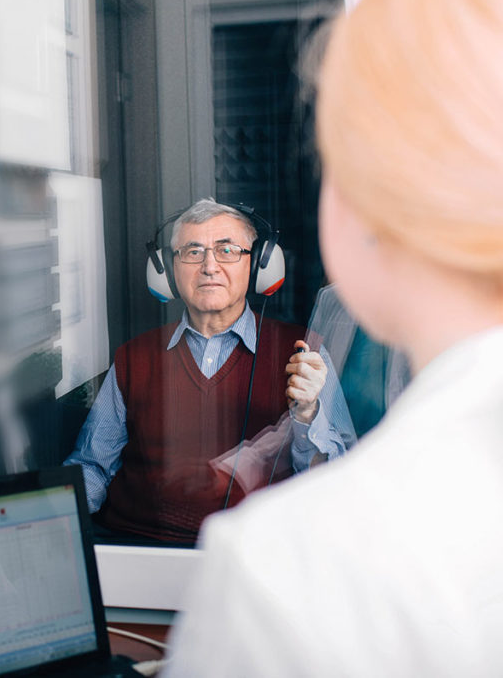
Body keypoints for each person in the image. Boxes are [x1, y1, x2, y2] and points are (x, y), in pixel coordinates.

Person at [165, 0, 503, 675]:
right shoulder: (328, 318)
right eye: (193, 251)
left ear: (367, 201)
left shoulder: (293, 572)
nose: (212, 266)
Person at [64, 198, 339, 542]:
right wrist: (55, 526)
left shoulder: (304, 352)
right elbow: (92, 466)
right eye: (192, 252)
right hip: (138, 549)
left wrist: (307, 414)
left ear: (257, 267)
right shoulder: (133, 358)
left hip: (257, 556)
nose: (209, 266)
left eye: (227, 251)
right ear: (167, 271)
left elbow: (335, 482)